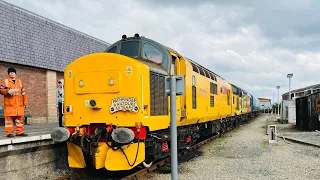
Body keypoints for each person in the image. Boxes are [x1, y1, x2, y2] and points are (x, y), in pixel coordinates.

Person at [0, 68, 28, 137]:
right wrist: (7, 91)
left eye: (13, 72)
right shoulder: (5, 82)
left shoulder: (20, 82)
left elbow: (24, 93)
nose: (12, 73)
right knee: (9, 120)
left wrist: (25, 103)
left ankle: (20, 132)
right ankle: (9, 133)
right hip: (9, 104)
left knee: (20, 119)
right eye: (10, 72)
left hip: (19, 104)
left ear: (15, 73)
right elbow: (0, 90)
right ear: (8, 74)